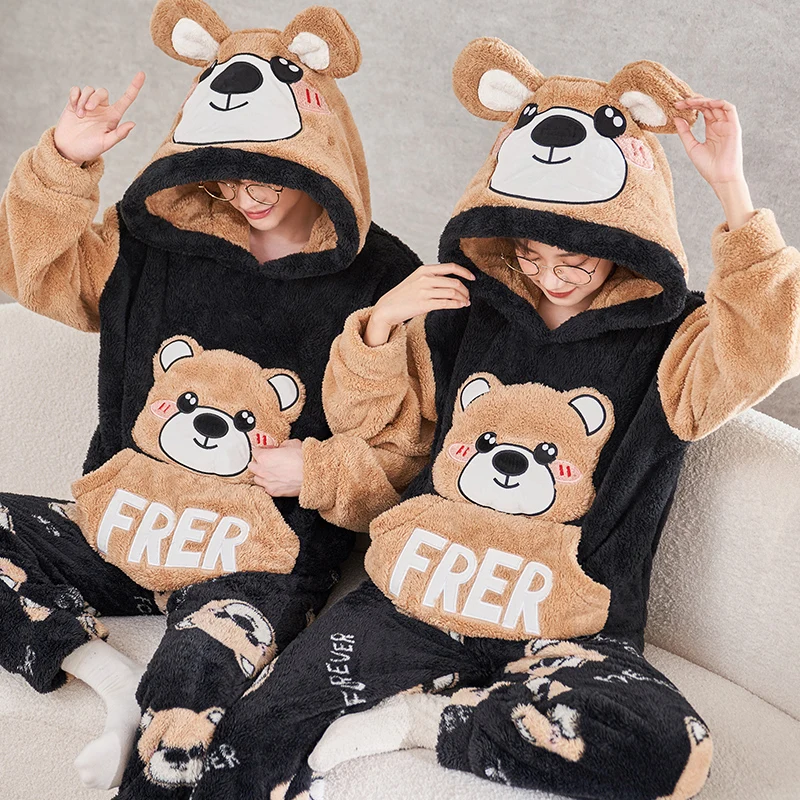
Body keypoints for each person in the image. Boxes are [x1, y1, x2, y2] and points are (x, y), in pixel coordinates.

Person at [187, 40, 800, 800]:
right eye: (533, 254)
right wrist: (382, 324)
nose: (553, 274)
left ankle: (431, 723)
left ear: (627, 238)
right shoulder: (465, 310)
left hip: (566, 628)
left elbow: (765, 347)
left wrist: (732, 187)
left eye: (578, 258)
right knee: (252, 733)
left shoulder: (675, 340)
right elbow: (379, 429)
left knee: (666, 751)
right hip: (414, 597)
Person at [0, 1, 420, 795]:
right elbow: (40, 277)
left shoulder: (385, 279)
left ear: (318, 151)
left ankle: (153, 730)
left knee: (192, 698)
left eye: (266, 171)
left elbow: (401, 455)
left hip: (258, 559)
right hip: (122, 527)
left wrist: (315, 471)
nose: (243, 190)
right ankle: (97, 671)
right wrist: (62, 163)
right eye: (225, 168)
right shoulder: (152, 239)